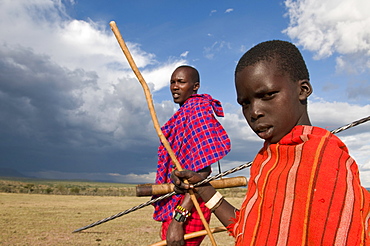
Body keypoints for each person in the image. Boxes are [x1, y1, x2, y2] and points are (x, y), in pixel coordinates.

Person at [171, 40, 370, 245]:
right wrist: (203, 188)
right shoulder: (267, 159)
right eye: (245, 103)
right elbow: (250, 230)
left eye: (267, 95)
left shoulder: (323, 157)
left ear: (303, 90)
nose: (254, 112)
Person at [152, 65, 231, 245]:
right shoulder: (185, 112)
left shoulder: (197, 111)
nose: (174, 86)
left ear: (195, 86)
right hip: (181, 200)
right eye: (172, 82)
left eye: (181, 82)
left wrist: (178, 219)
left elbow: (202, 172)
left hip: (191, 204)